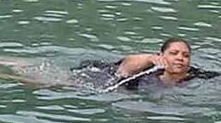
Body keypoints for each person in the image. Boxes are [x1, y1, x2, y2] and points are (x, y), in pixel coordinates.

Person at [79, 37, 219, 90]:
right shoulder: (148, 68)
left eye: (186, 55)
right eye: (173, 53)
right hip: (100, 74)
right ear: (161, 55)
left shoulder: (198, 75)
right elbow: (125, 67)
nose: (180, 58)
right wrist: (149, 58)